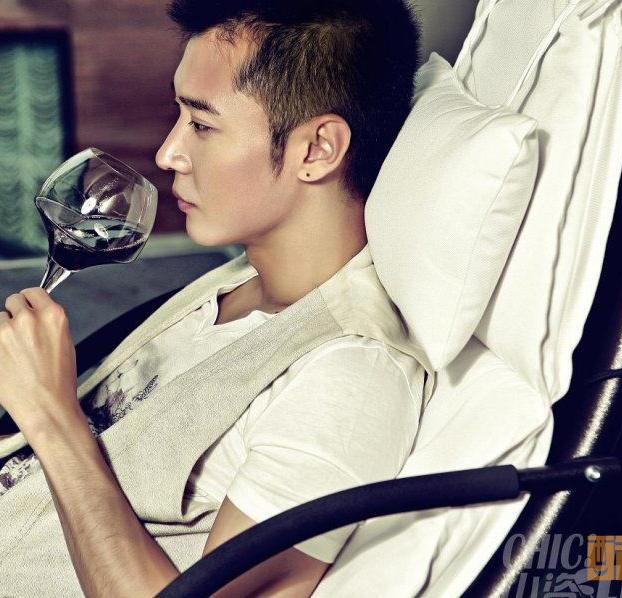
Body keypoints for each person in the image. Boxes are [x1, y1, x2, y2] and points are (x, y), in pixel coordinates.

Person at [0, 1, 429, 596]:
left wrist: (51, 415)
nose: (168, 153)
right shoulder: (236, 281)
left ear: (317, 150)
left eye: (202, 125)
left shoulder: (350, 379)